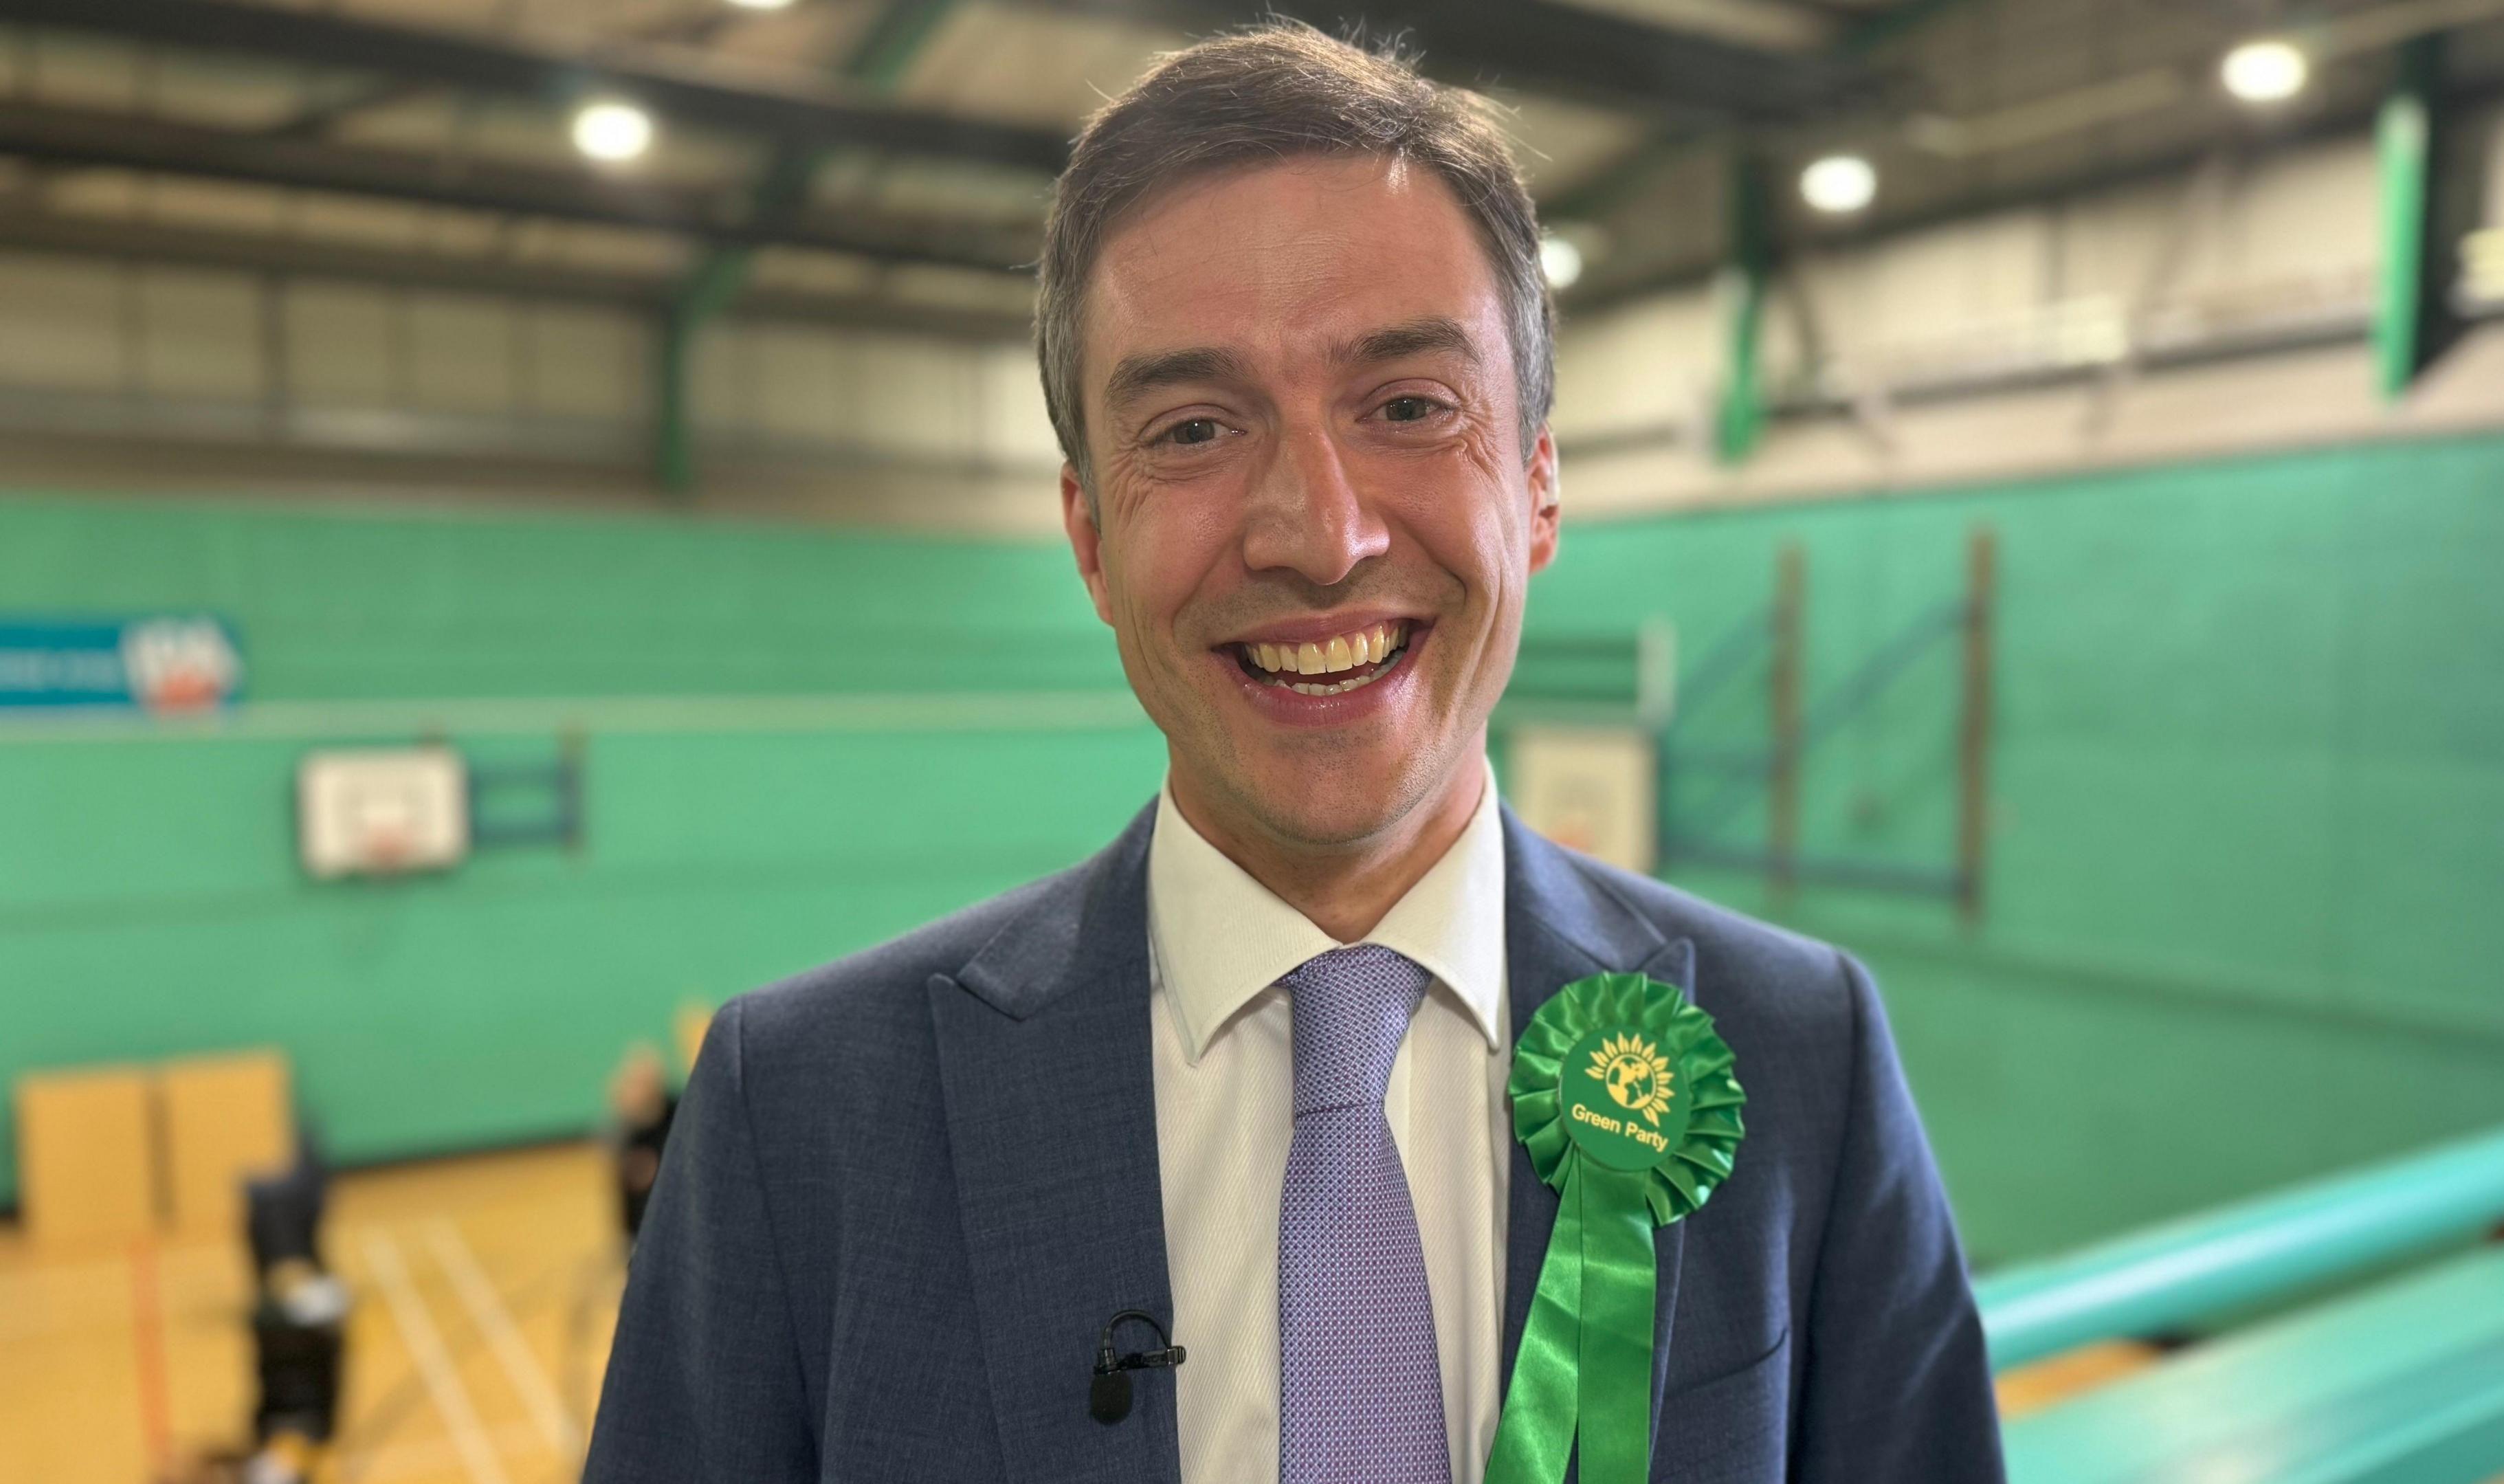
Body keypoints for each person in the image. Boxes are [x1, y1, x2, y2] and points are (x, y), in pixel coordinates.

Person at [586, 23, 2002, 1483]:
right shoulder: (800, 1121)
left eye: (1408, 407)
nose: (1321, 536)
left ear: (1539, 482)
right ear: (1089, 536)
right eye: (1195, 428)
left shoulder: (1802, 1065)